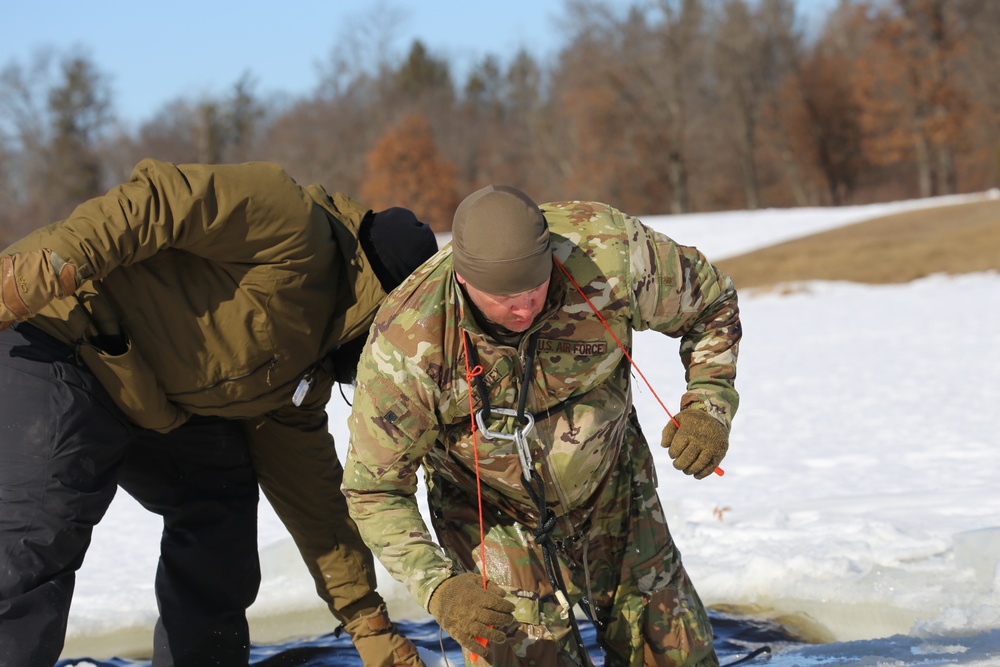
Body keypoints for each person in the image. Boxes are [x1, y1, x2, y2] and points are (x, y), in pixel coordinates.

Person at [0, 158, 438, 667]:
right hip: (58, 334)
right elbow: (159, 201)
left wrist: (368, 621)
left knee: (219, 503)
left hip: (152, 398)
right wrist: (33, 275)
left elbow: (312, 499)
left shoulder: (304, 372)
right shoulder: (292, 222)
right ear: (386, 310)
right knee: (44, 525)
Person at [342, 185, 741, 666]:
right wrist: (440, 588)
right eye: (505, 297)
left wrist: (709, 406)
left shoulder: (608, 254)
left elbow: (711, 304)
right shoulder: (406, 347)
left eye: (536, 286)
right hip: (490, 516)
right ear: (465, 282)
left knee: (681, 658)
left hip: (615, 488)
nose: (525, 307)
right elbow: (374, 490)